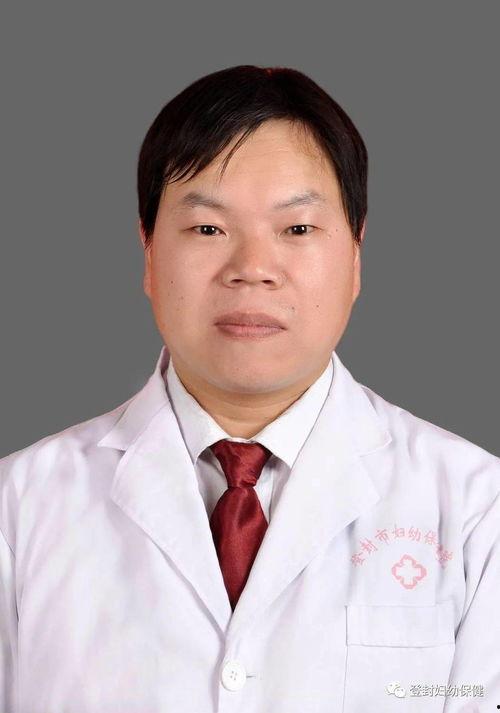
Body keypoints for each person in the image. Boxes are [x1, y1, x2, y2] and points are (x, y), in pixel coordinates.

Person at [0, 64, 498, 713]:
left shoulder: (477, 509)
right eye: (208, 229)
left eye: (297, 229)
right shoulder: (18, 509)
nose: (252, 269)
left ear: (356, 253)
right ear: (147, 250)